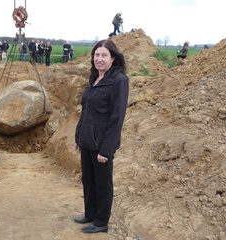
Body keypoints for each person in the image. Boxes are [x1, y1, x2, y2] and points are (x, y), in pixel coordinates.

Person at [74, 39, 129, 234]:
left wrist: (106, 149)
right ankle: (90, 214)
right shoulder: (93, 78)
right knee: (88, 180)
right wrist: (79, 138)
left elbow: (117, 118)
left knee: (102, 184)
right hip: (87, 141)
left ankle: (101, 221)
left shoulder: (118, 81)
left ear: (113, 58)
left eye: (104, 55)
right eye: (97, 55)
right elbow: (86, 111)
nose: (99, 59)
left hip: (102, 144)